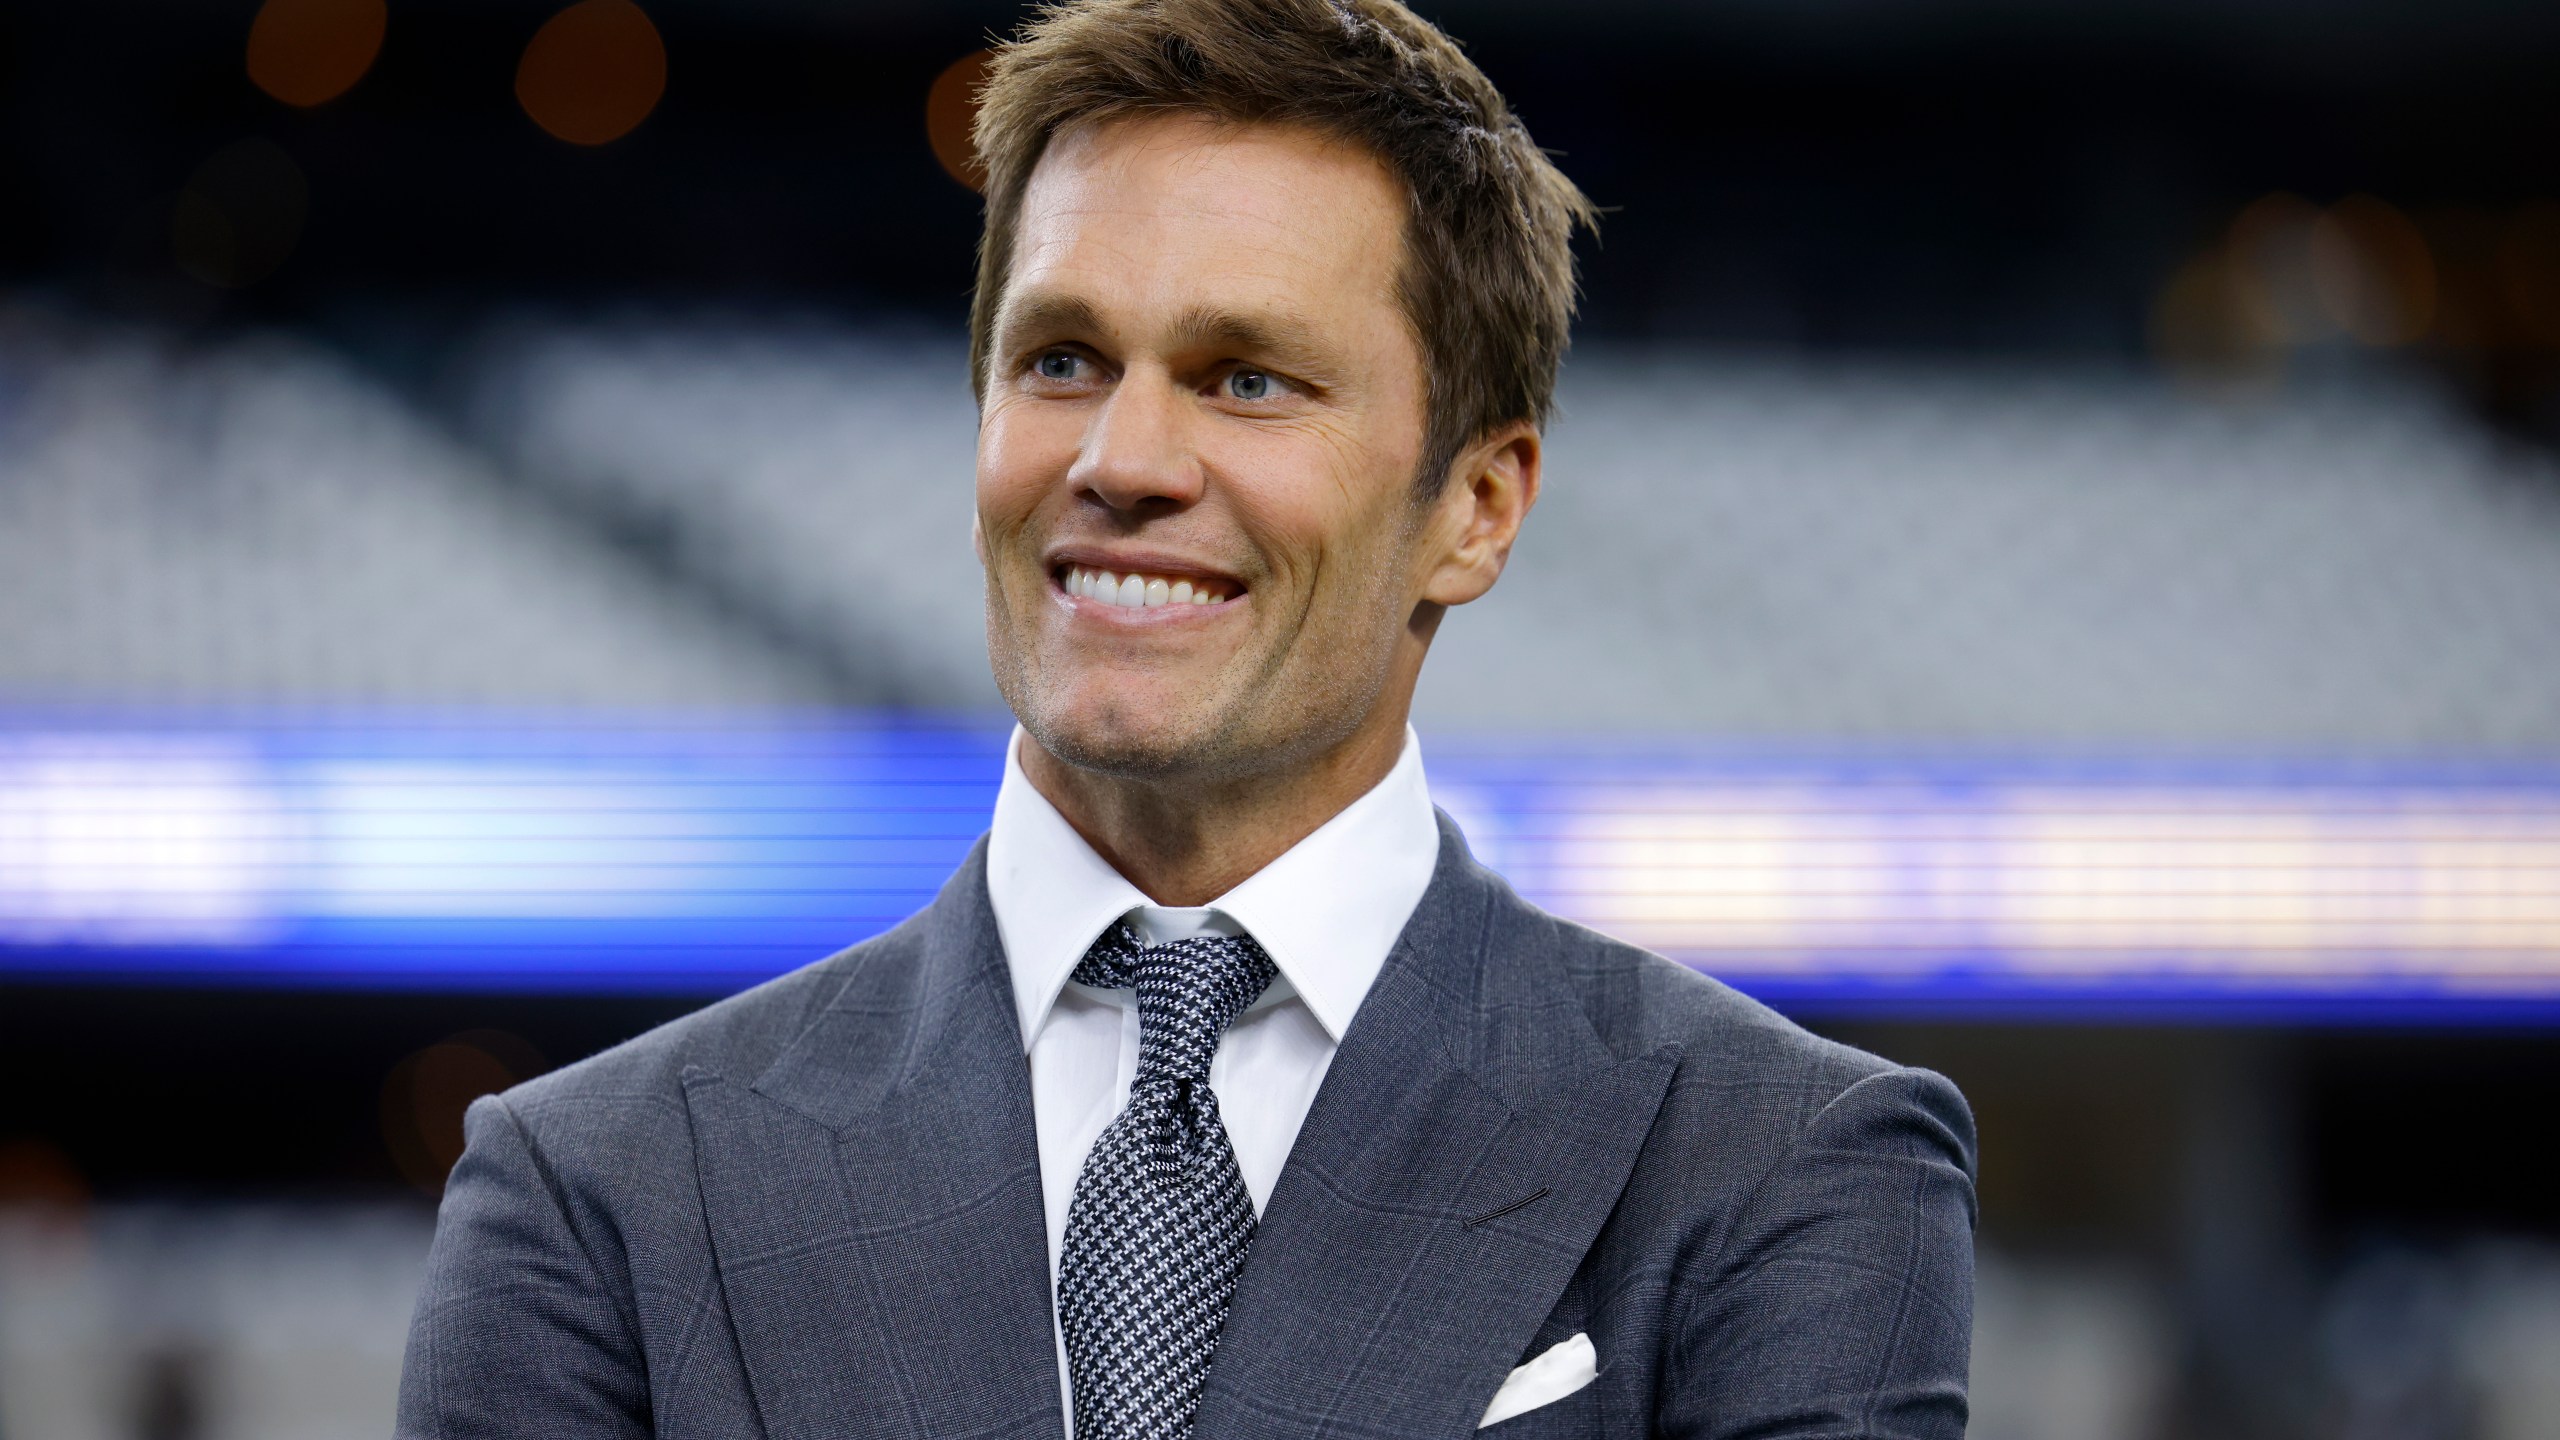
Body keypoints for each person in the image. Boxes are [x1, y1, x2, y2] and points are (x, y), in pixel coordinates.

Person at [395, 0, 1978, 1434]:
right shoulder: (594, 1191)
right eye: (1064, 360)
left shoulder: (1785, 1168)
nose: (1123, 459)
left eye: (1248, 380)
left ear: (1477, 508)